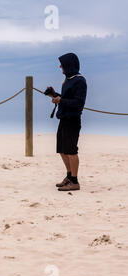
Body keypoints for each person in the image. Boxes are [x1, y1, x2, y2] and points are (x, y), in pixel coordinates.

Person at [50, 53, 87, 191]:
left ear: (69, 65)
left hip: (73, 119)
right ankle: (69, 176)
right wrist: (55, 95)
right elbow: (67, 98)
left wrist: (61, 100)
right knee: (62, 149)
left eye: (62, 64)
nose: (60, 66)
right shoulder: (68, 79)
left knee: (71, 150)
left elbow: (78, 102)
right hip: (64, 118)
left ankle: (75, 182)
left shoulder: (80, 80)